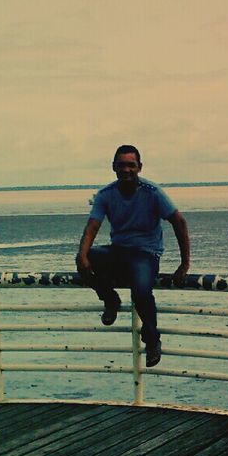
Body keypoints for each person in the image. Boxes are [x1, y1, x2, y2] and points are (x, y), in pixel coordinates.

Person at [75, 145, 190, 367]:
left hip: (146, 253)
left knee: (141, 291)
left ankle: (152, 339)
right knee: (83, 260)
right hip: (118, 250)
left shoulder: (152, 192)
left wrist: (184, 264)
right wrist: (83, 255)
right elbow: (92, 226)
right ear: (114, 167)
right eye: (122, 165)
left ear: (139, 167)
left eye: (131, 165)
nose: (127, 169)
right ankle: (110, 299)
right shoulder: (106, 195)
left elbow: (179, 222)